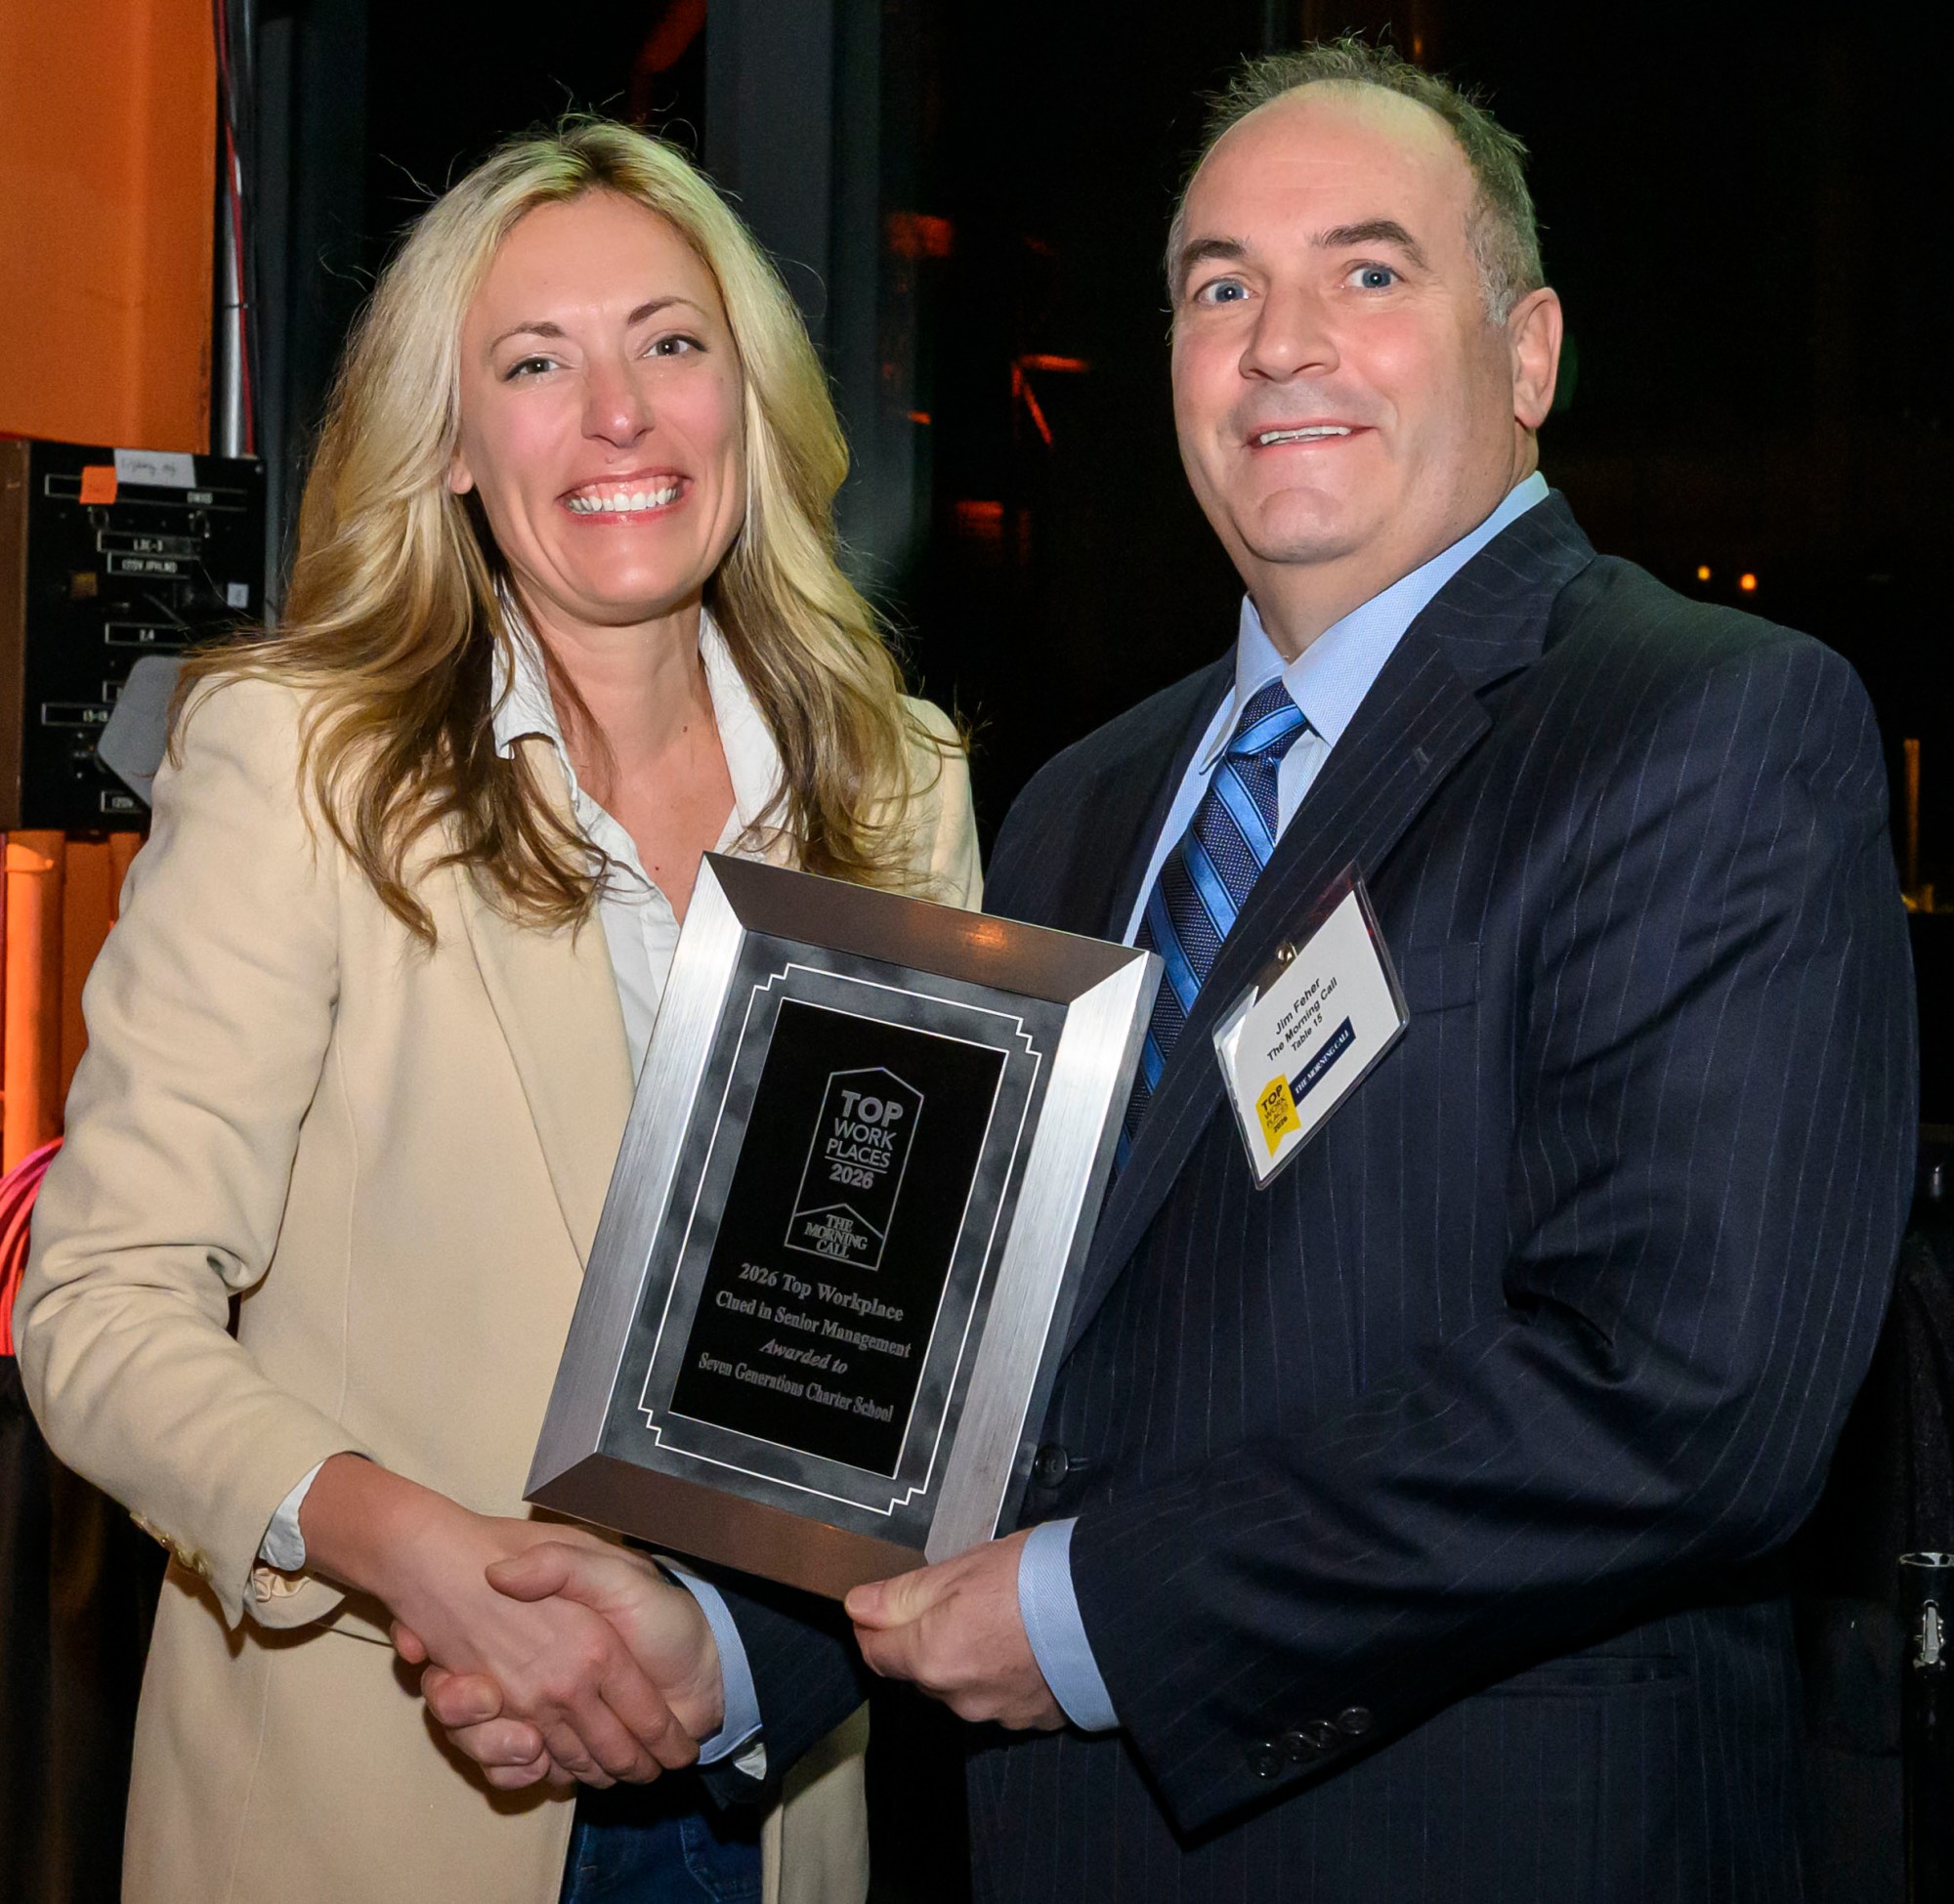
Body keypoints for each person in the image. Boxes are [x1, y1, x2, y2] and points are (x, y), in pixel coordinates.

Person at [413, 39, 1916, 1903]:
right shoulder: (1081, 805)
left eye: (1368, 273)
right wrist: (715, 1655)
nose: (1281, 340)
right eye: (1224, 288)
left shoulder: (1711, 729)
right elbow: (970, 1378)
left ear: (1528, 352)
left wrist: (1086, 1606)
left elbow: (1686, 1399)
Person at [17, 120, 978, 1904]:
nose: (617, 413)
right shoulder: (307, 764)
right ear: (452, 445)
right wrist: (418, 1550)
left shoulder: (893, 782)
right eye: (536, 364)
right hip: (379, 1784)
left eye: (670, 343)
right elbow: (100, 1304)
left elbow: (903, 1356)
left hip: (760, 1783)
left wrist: (729, 1643)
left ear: (744, 402)